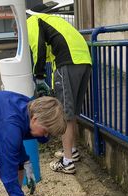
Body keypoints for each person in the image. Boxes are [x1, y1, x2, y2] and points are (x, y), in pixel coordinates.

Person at [27, 13, 92, 175]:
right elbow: (49, 51)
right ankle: (72, 150)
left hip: (67, 62)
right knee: (72, 113)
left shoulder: (30, 22)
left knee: (63, 114)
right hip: (84, 61)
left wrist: (39, 76)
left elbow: (39, 47)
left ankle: (67, 162)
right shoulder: (51, 22)